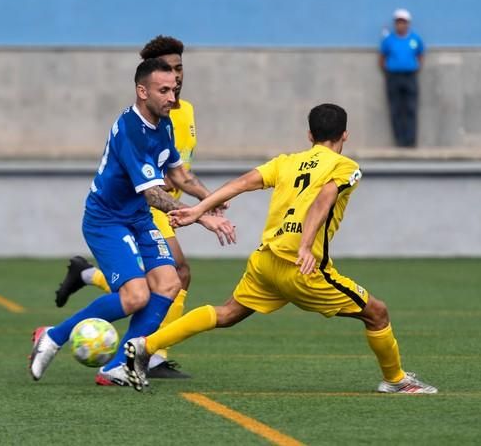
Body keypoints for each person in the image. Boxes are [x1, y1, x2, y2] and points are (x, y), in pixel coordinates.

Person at [123, 103, 437, 394]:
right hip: (301, 269)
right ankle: (395, 380)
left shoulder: (287, 162)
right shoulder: (345, 167)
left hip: (266, 261)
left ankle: (146, 345)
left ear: (310, 135)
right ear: (345, 135)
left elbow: (244, 182)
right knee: (377, 313)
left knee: (228, 312)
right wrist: (305, 245)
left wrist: (197, 210)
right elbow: (324, 199)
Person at [29, 58, 235, 385]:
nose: (172, 97)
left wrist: (210, 199)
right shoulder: (131, 130)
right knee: (136, 296)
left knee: (170, 282)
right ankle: (54, 336)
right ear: (142, 91)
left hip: (137, 218)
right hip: (106, 220)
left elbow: (179, 174)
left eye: (175, 89)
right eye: (164, 90)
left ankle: (116, 366)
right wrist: (202, 216)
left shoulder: (162, 124)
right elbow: (154, 195)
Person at [379, 8, 425, 148]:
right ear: (395, 24)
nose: (401, 25)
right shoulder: (389, 40)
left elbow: (421, 54)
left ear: (408, 23)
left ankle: (410, 141)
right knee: (396, 109)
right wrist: (387, 70)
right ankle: (399, 141)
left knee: (410, 108)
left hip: (410, 77)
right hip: (393, 77)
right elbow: (382, 57)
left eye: (403, 22)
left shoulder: (415, 39)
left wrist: (417, 66)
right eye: (398, 22)